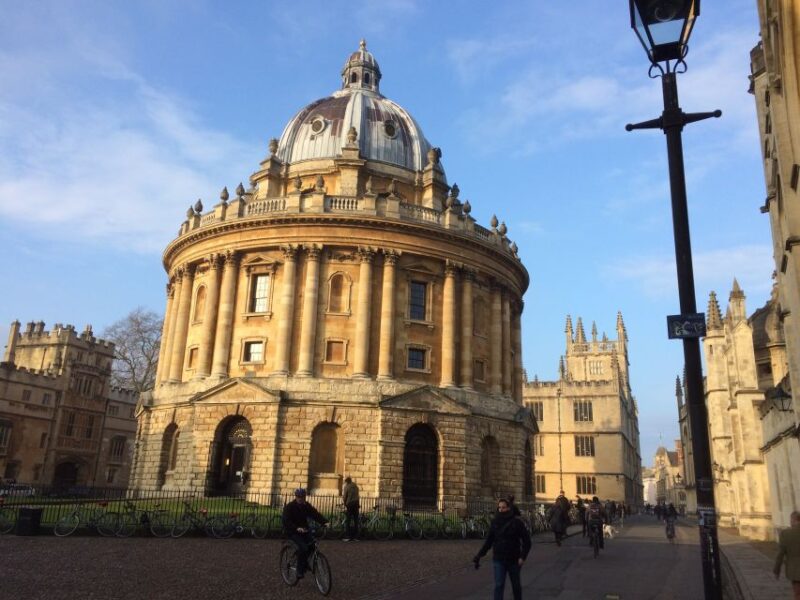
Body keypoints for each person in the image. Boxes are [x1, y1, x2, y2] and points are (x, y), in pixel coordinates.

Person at [474, 497, 532, 600]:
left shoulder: (517, 523)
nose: (501, 510)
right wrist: (479, 555)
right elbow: (489, 541)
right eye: (499, 508)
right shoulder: (495, 522)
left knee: (516, 586)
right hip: (499, 559)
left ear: (509, 508)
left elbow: (527, 541)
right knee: (499, 585)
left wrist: (522, 557)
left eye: (503, 507)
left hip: (514, 559)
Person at [282, 488, 328, 579]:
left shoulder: (306, 506)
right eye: (299, 497)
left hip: (304, 531)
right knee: (303, 547)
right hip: (292, 532)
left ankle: (304, 562)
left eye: (302, 497)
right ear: (296, 497)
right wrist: (296, 528)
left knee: (312, 545)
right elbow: (286, 521)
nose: (301, 499)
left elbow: (315, 514)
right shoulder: (290, 507)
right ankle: (299, 570)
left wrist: (325, 522)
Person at [773, 510, 800, 599]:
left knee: (797, 593)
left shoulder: (786, 534)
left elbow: (780, 555)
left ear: (793, 520)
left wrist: (777, 570)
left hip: (795, 571)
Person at [341, 476, 360, 541]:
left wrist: (345, 503)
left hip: (350, 504)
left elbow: (344, 496)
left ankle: (348, 536)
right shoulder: (355, 486)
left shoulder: (347, 487)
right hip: (356, 504)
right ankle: (356, 537)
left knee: (348, 520)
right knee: (356, 521)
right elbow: (357, 495)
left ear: (346, 481)